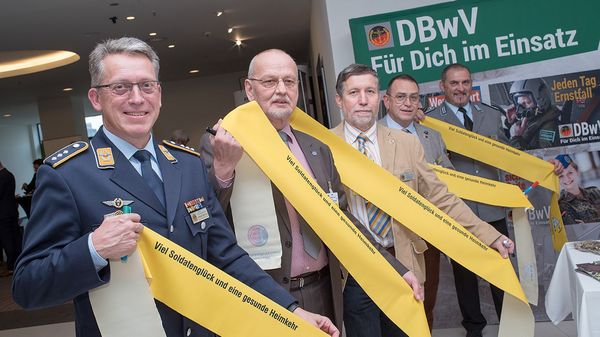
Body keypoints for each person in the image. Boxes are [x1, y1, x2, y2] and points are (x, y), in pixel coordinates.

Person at [12, 37, 339, 337]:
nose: (137, 98)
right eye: (121, 87)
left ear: (160, 94)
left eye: (146, 85)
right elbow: (27, 286)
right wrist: (93, 249)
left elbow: (226, 255)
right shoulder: (68, 175)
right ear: (96, 98)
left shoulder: (186, 164)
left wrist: (291, 310)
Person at [201, 50, 420, 331]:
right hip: (265, 296)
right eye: (269, 81)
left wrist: (394, 267)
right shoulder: (222, 143)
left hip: (322, 292)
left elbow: (343, 219)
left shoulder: (317, 148)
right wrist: (223, 169)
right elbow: (207, 220)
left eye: (289, 81)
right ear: (249, 89)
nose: (281, 90)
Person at [330, 64, 514, 337]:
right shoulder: (324, 145)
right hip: (356, 269)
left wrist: (490, 235)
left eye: (369, 91)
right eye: (353, 92)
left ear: (380, 97)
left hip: (404, 262)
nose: (362, 99)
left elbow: (440, 196)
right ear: (339, 100)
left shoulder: (406, 143)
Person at [423, 63, 512, 337]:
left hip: (492, 207)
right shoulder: (428, 121)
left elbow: (511, 154)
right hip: (457, 209)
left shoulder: (492, 114)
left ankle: (510, 324)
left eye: (465, 82)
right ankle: (474, 328)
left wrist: (545, 170)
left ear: (470, 84)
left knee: (502, 270)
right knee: (464, 275)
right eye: (454, 83)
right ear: (443, 86)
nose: (460, 88)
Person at [380, 73, 453, 329]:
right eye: (400, 97)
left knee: (426, 300)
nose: (408, 103)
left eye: (414, 98)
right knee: (393, 309)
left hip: (428, 235)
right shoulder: (372, 136)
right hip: (388, 237)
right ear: (386, 101)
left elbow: (449, 181)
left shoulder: (431, 136)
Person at [506, 78, 561, 150]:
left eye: (527, 102)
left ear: (541, 100)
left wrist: (516, 138)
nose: (523, 108)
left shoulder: (549, 128)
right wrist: (511, 122)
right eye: (520, 104)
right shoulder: (534, 119)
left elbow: (539, 158)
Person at [556, 154, 600, 225]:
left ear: (577, 172)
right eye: (561, 176)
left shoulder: (595, 192)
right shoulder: (562, 205)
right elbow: (579, 233)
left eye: (570, 173)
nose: (566, 179)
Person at [0, 161, 19, 277]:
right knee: (15, 237)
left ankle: (11, 265)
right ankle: (17, 262)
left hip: (2, 213)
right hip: (12, 210)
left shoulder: (1, 177)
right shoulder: (9, 174)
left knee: (6, 239)